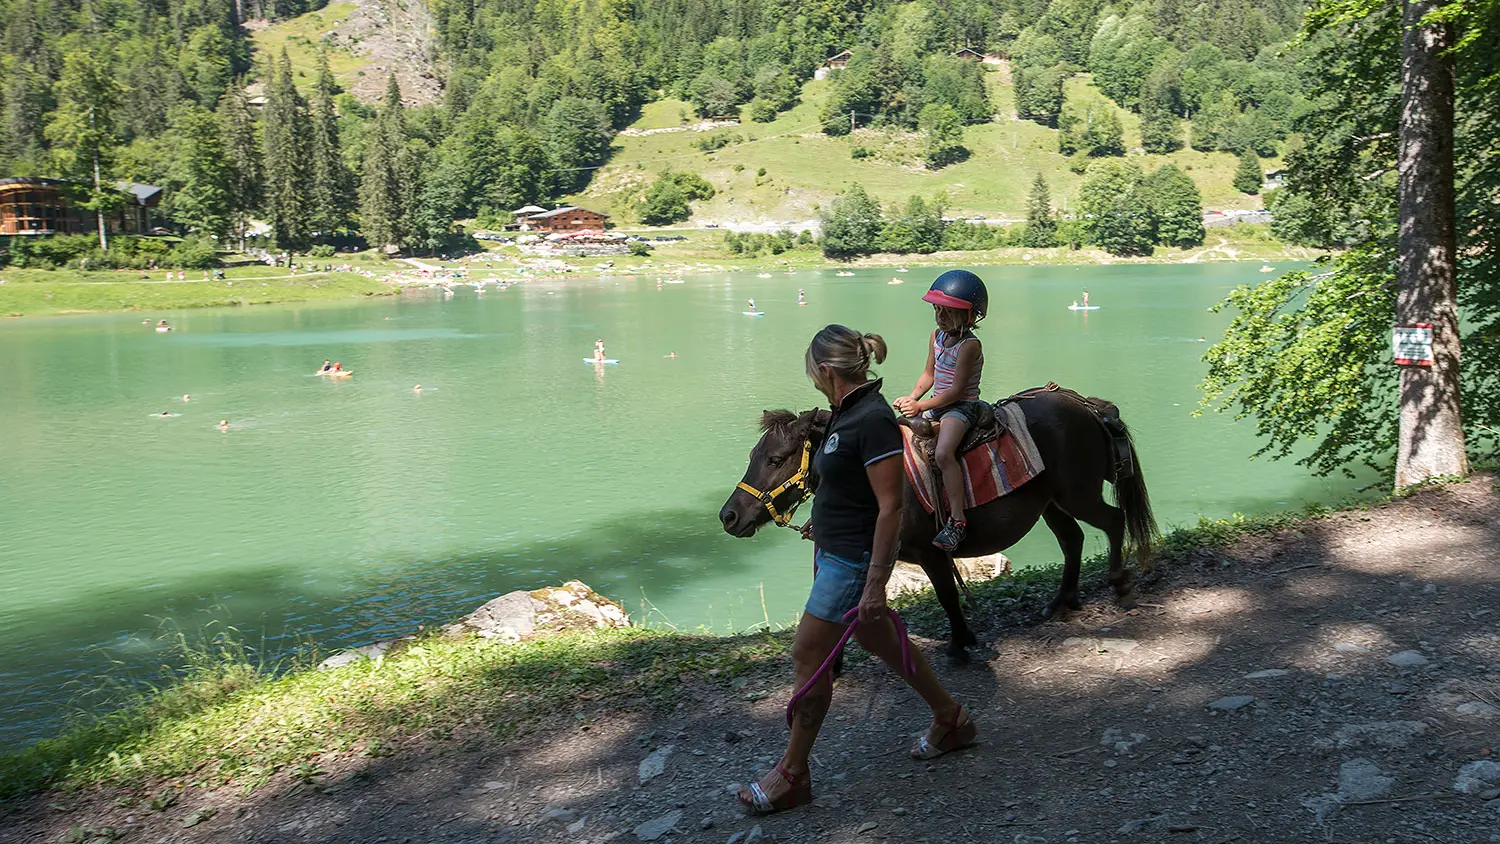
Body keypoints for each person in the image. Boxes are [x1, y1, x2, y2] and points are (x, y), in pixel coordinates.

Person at [737, 324, 977, 814]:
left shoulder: (871, 420)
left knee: (807, 655)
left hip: (851, 565)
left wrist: (874, 582)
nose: (811, 378)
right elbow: (849, 491)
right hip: (834, 551)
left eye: (812, 370)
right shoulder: (847, 414)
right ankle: (951, 718)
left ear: (825, 370)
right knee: (878, 639)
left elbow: (889, 508)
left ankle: (793, 774)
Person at [892, 270, 988, 551]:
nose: (940, 317)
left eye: (948, 312)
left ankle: (957, 521)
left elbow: (957, 391)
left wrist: (921, 406)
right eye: (937, 310)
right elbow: (928, 375)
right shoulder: (936, 336)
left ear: (969, 316)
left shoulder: (970, 345)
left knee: (945, 453)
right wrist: (911, 397)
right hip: (936, 404)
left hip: (961, 408)